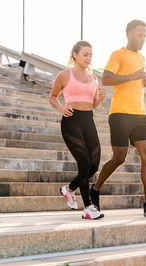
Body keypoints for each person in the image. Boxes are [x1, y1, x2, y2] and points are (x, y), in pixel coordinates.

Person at [89, 20, 146, 217]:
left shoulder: (142, 58)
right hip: (120, 113)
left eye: (145, 35)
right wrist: (133, 76)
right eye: (139, 35)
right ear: (129, 34)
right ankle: (95, 189)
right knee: (119, 157)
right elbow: (106, 79)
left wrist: (144, 82)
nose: (143, 39)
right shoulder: (118, 54)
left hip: (140, 113)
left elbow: (135, 82)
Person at [50, 40, 106, 220]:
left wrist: (100, 99)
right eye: (85, 55)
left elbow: (92, 104)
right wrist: (61, 108)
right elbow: (52, 97)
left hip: (88, 121)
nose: (88, 58)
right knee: (83, 162)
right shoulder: (64, 75)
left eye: (90, 55)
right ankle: (88, 208)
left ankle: (69, 189)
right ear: (75, 54)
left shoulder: (93, 78)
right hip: (71, 121)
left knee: (94, 165)